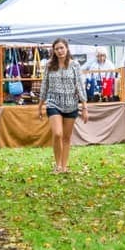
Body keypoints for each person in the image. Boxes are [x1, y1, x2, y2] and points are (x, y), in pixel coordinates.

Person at [38, 38, 88, 174]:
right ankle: (57, 165)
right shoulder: (49, 65)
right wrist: (40, 105)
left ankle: (64, 166)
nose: (60, 51)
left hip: (71, 104)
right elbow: (44, 85)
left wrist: (84, 107)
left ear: (66, 48)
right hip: (54, 102)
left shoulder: (75, 65)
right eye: (57, 49)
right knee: (57, 133)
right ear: (53, 51)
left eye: (62, 48)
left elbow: (79, 86)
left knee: (66, 137)